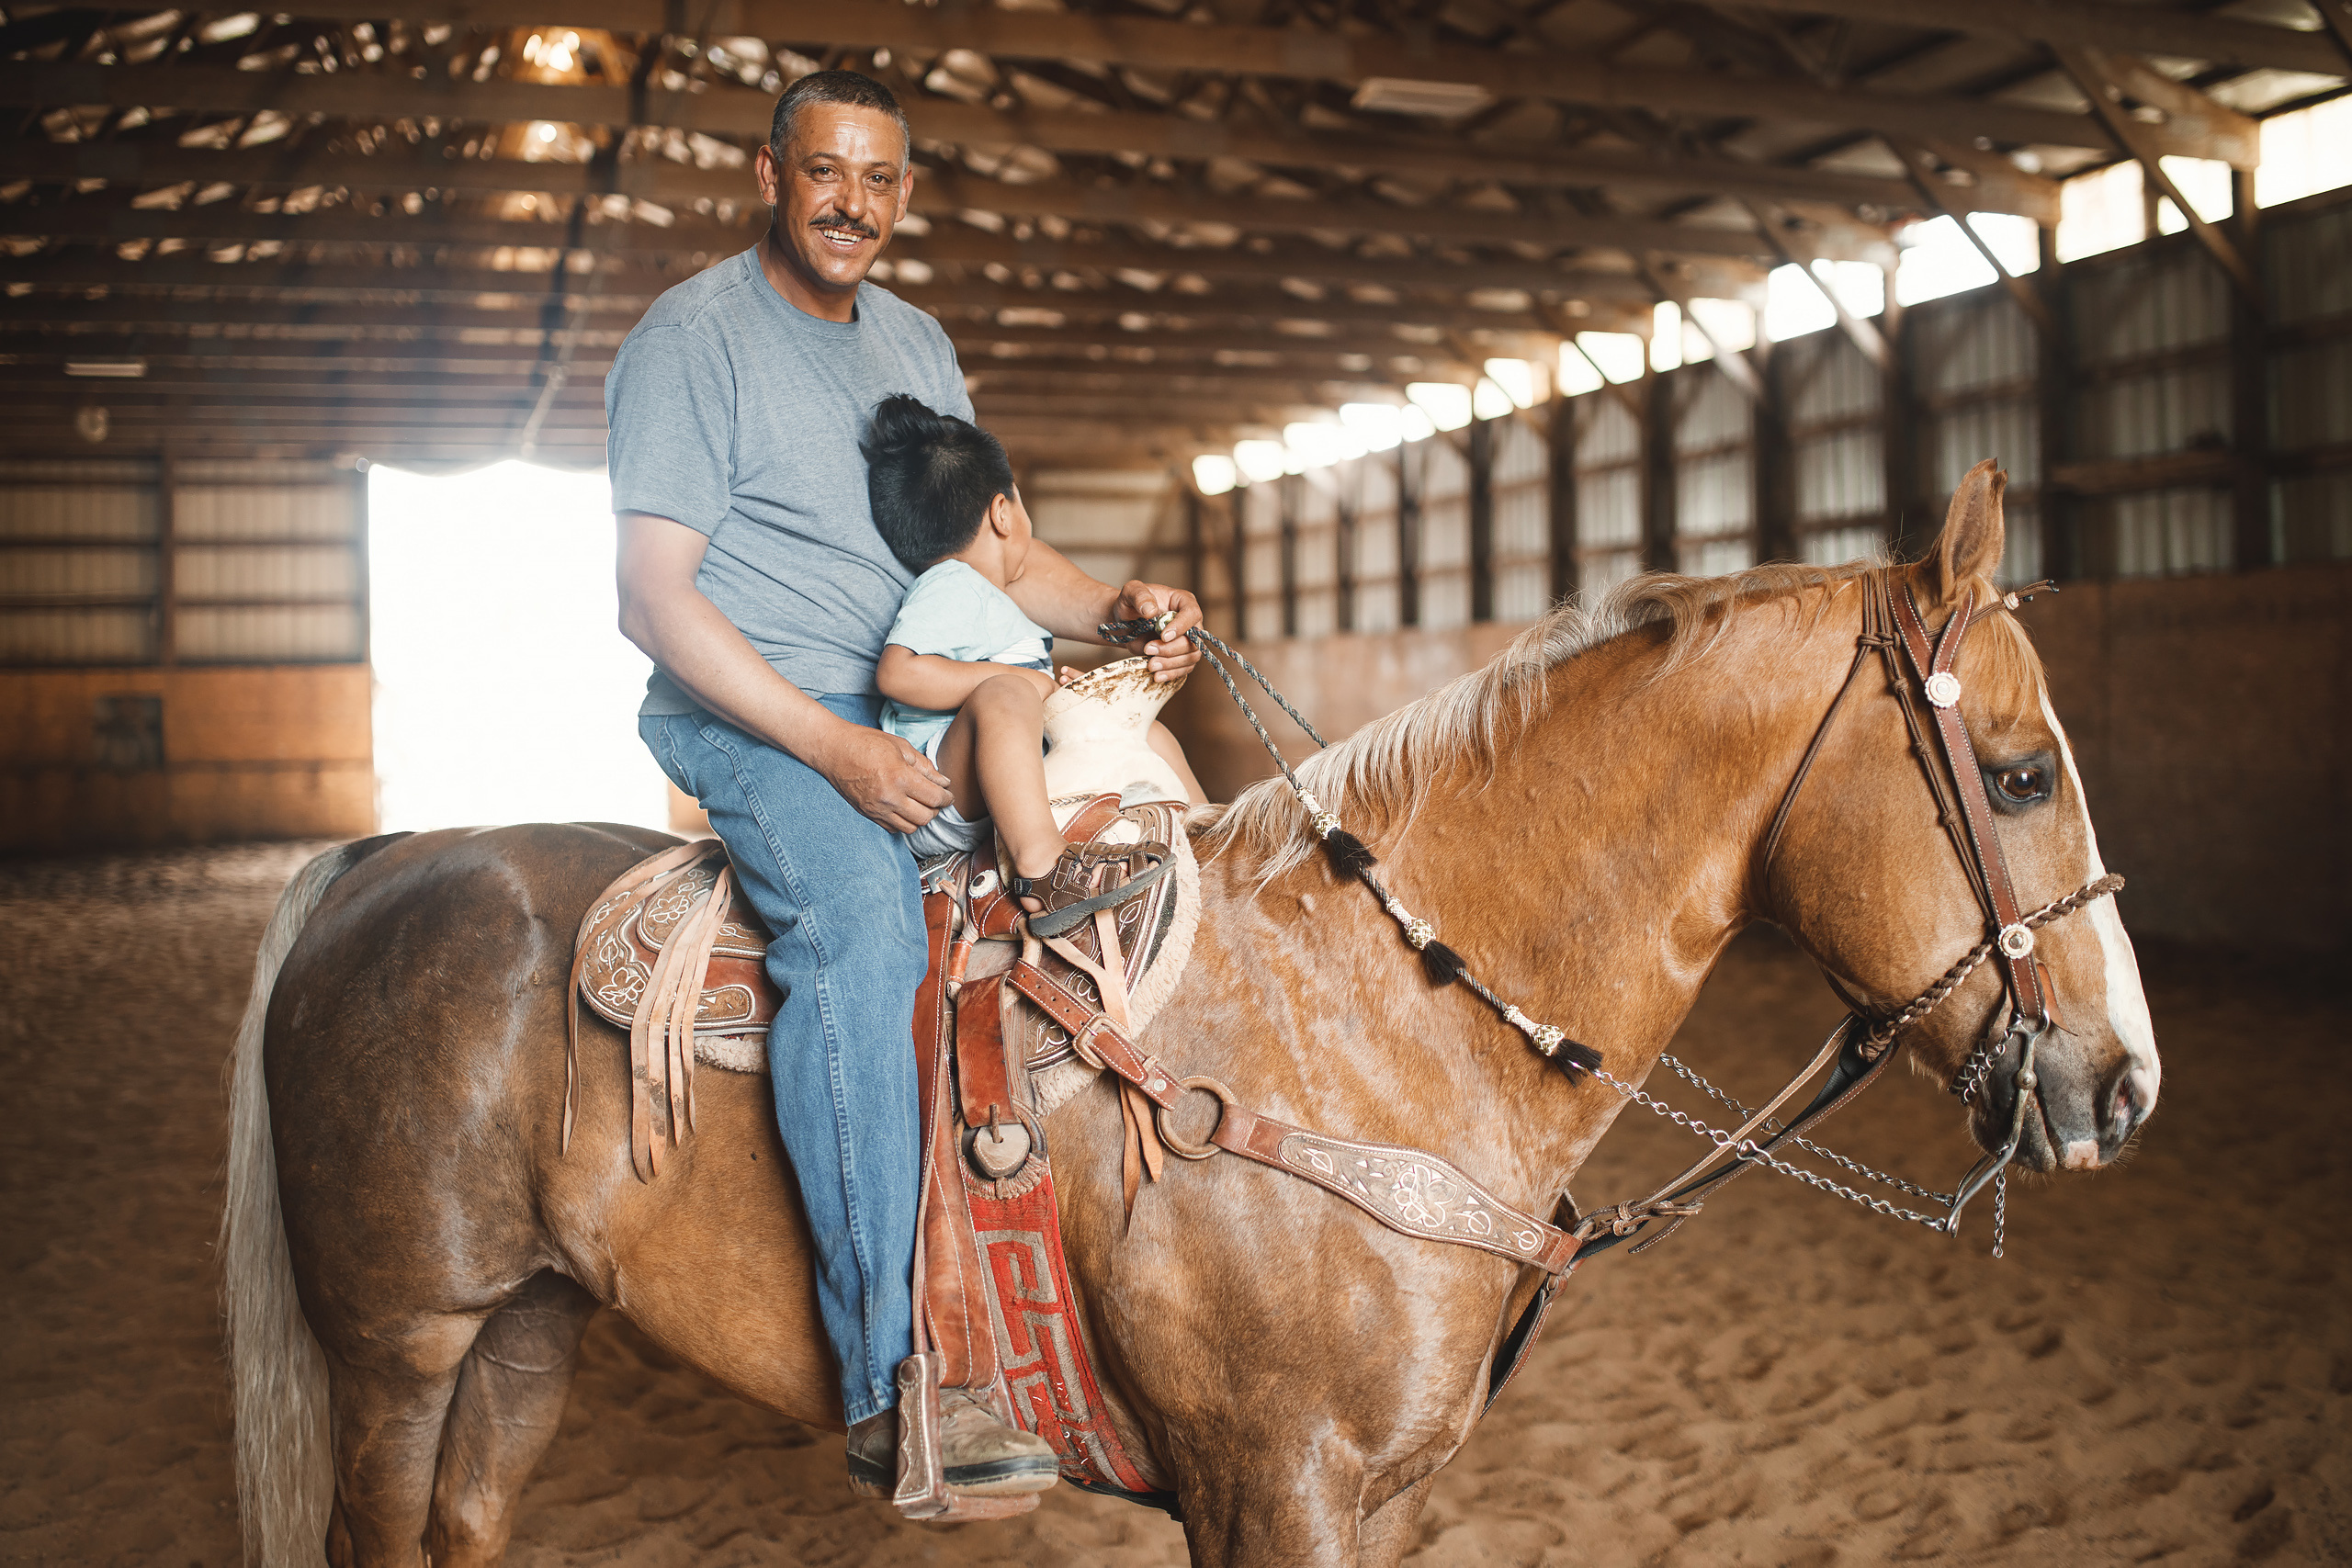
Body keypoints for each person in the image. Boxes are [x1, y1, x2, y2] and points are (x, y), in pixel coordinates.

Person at [605, 68, 1203, 1499]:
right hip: (761, 719)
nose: (850, 205)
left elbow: (998, 562)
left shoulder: (920, 343)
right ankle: (902, 1381)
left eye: (878, 182)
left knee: (1131, 866)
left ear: (907, 195)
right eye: (825, 173)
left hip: (903, 706)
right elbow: (651, 599)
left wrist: (1112, 604)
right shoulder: (693, 339)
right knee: (867, 943)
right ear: (771, 174)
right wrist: (830, 746)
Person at [862, 394, 1206, 900]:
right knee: (1006, 695)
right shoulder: (951, 583)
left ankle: (1213, 836)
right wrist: (1027, 685)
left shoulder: (996, 600)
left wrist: (1056, 694)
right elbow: (898, 673)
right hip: (940, 788)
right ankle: (1041, 864)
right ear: (1004, 512)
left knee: (1145, 731)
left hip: (1000, 774)